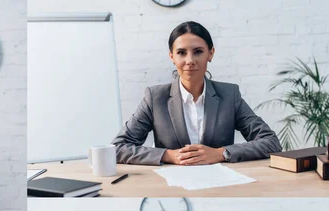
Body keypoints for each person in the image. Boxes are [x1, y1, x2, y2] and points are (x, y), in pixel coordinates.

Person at [113, 21, 281, 166]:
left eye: (198, 51)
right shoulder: (155, 98)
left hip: (222, 184)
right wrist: (168, 155)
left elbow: (270, 142)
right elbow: (118, 147)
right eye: (181, 53)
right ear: (172, 57)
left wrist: (220, 153)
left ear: (211, 53)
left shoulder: (230, 95)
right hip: (172, 186)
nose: (190, 60)